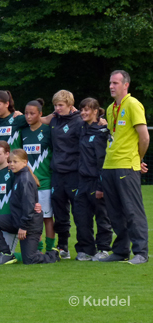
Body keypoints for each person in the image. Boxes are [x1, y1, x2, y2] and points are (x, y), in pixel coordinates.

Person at [100, 70, 149, 264]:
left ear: (126, 85)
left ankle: (141, 253)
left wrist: (138, 159)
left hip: (126, 166)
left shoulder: (133, 104)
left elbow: (144, 137)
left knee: (132, 210)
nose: (111, 86)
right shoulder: (111, 108)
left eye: (115, 83)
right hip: (109, 165)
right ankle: (120, 251)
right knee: (114, 212)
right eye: (110, 83)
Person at [0, 149, 60, 265]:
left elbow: (28, 205)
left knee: (29, 260)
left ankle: (53, 255)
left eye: (15, 162)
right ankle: (7, 254)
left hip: (30, 225)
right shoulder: (17, 176)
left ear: (25, 162)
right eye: (10, 162)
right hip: (17, 220)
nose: (11, 164)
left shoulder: (24, 179)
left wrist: (23, 227)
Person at [74, 98, 112, 261]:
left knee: (102, 216)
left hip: (97, 180)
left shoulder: (102, 131)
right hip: (82, 181)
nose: (83, 113)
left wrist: (101, 186)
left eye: (87, 110)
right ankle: (86, 249)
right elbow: (63, 113)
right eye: (81, 110)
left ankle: (103, 249)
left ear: (95, 111)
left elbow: (102, 161)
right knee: (81, 216)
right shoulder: (81, 128)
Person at [46, 90, 81, 259]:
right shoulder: (54, 120)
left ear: (70, 105)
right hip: (57, 173)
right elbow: (40, 119)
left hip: (74, 173)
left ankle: (84, 247)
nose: (57, 108)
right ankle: (63, 247)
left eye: (61, 105)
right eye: (55, 105)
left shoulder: (79, 121)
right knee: (59, 212)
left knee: (80, 211)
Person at [22, 99, 55, 254]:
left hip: (45, 181)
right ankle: (37, 249)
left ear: (40, 114)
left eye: (32, 113)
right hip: (28, 183)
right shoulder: (23, 132)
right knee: (33, 218)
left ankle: (50, 249)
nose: (28, 116)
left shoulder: (48, 131)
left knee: (47, 217)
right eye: (26, 113)